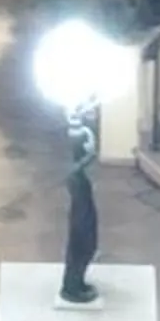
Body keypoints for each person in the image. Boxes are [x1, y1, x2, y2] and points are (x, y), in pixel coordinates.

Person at [59, 98, 101, 305]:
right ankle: (72, 287)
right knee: (82, 242)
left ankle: (77, 282)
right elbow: (87, 155)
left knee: (85, 242)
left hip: (79, 185)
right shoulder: (76, 175)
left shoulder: (78, 176)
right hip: (78, 187)